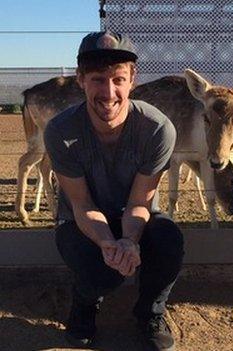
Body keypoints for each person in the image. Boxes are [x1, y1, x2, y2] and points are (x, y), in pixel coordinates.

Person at [44, 30, 183, 351]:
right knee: (102, 273)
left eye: (118, 79)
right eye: (97, 79)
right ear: (80, 79)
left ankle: (150, 313)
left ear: (133, 79)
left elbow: (139, 202)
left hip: (135, 215)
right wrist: (109, 243)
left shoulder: (157, 129)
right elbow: (81, 205)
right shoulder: (61, 131)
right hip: (81, 221)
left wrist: (128, 241)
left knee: (168, 242)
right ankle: (84, 303)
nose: (109, 92)